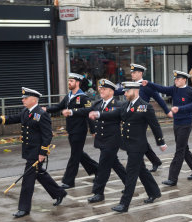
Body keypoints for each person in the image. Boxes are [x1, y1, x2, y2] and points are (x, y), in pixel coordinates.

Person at [0, 87, 67, 218]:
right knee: (39, 173)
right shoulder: (25, 112)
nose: (23, 100)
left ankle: (24, 208)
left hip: (36, 152)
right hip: (29, 150)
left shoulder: (41, 114)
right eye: (23, 98)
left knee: (28, 180)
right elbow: (11, 118)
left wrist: (43, 153)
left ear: (34, 99)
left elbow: (47, 135)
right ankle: (59, 193)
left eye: (25, 98)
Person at [90, 82, 167, 212]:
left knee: (131, 174)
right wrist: (98, 115)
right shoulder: (126, 105)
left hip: (138, 146)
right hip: (128, 144)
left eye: (127, 91)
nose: (124, 94)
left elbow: (155, 126)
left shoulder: (144, 106)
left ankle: (124, 204)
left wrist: (161, 142)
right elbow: (113, 114)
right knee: (142, 170)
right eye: (124, 91)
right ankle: (154, 192)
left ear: (135, 91)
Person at [62, 79, 127, 203]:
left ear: (111, 91)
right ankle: (129, 183)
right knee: (115, 164)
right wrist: (71, 111)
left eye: (104, 89)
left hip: (112, 141)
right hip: (102, 140)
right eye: (100, 89)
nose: (101, 91)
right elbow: (86, 111)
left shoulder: (118, 104)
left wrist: (98, 114)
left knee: (103, 166)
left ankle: (98, 192)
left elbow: (111, 114)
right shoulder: (98, 103)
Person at [141, 70, 192, 186]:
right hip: (176, 123)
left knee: (179, 151)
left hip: (185, 124)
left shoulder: (191, 91)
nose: (176, 81)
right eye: (175, 79)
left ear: (184, 79)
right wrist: (148, 83)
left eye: (178, 79)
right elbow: (161, 88)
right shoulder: (174, 89)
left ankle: (172, 178)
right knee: (184, 149)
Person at [42, 73, 98, 189]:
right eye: (68, 81)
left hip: (80, 130)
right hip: (71, 130)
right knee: (79, 154)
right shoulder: (68, 96)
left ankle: (68, 181)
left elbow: (88, 111)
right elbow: (58, 107)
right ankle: (99, 171)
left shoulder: (83, 97)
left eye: (71, 81)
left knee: (74, 156)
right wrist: (46, 109)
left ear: (78, 83)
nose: (69, 83)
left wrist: (93, 130)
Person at [115, 64, 171, 172]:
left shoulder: (147, 86)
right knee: (141, 142)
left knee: (138, 140)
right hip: (132, 115)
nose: (132, 74)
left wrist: (167, 111)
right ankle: (154, 161)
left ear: (140, 73)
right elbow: (119, 91)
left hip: (143, 116)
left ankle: (142, 164)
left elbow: (158, 99)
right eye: (131, 72)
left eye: (134, 72)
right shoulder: (130, 85)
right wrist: (109, 90)